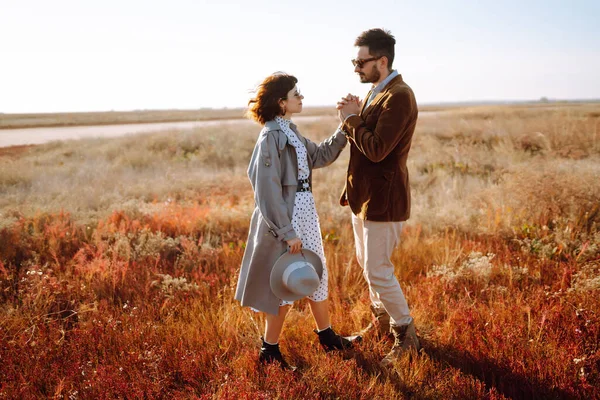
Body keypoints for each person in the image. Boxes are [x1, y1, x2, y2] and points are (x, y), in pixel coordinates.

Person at [235, 72, 361, 370]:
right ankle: (270, 352)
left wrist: (346, 124)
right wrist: (287, 231)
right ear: (281, 103)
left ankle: (327, 336)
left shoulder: (290, 131)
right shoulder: (270, 137)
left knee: (314, 273)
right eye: (296, 94)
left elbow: (322, 155)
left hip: (306, 214)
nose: (301, 98)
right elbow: (265, 190)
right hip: (286, 221)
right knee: (285, 283)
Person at [336, 28, 421, 366]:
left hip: (384, 201)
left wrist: (351, 119)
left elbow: (376, 149)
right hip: (365, 198)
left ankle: (406, 336)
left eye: (361, 61)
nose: (356, 67)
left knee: (379, 271)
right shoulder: (376, 90)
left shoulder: (399, 95)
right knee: (368, 267)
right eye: (354, 62)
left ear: (381, 61)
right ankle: (382, 323)